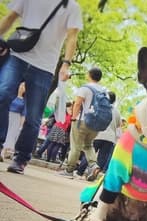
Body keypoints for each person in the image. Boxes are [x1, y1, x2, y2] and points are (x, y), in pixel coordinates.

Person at [0, 0, 83, 174]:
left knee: (33, 116)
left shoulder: (71, 7)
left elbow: (72, 36)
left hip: (44, 67)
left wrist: (66, 64)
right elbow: (10, 18)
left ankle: (21, 158)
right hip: (17, 55)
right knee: (2, 94)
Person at [58, 67, 104, 181]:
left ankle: (69, 170)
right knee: (88, 145)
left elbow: (78, 103)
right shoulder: (104, 91)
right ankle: (94, 165)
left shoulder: (85, 88)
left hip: (82, 121)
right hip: (96, 124)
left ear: (90, 75)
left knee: (75, 146)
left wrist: (73, 117)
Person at [75, 91, 121, 179]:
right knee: (102, 158)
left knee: (89, 153)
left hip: (98, 134)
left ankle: (80, 172)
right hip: (110, 138)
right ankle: (93, 174)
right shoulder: (117, 112)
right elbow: (118, 125)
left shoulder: (99, 107)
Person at [1, 82, 26, 161]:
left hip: (16, 119)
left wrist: (20, 126)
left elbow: (23, 114)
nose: (22, 87)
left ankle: (2, 152)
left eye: (24, 86)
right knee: (4, 131)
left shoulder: (24, 101)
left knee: (10, 136)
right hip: (7, 115)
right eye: (21, 85)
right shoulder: (12, 95)